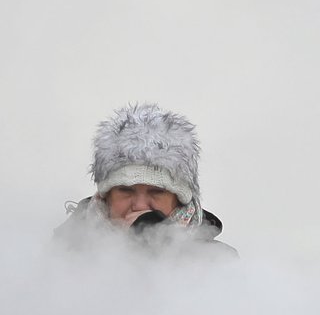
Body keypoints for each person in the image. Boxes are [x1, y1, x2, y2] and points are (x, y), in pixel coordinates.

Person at [54, 103, 235, 256]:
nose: (140, 205)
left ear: (179, 199)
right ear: (106, 196)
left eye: (157, 191)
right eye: (125, 190)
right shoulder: (65, 251)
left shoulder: (215, 261)